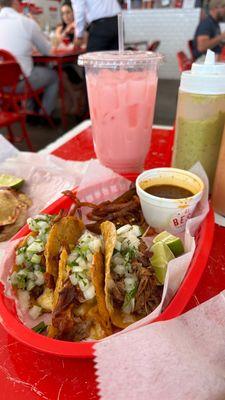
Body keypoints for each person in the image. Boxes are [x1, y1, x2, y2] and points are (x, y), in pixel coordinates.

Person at [0, 0, 59, 120]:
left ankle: (29, 110)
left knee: (28, 68)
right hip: (20, 83)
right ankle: (44, 115)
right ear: (15, 3)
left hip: (1, 84)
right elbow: (47, 50)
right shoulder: (26, 22)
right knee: (53, 76)